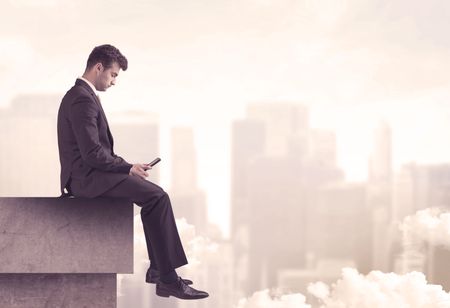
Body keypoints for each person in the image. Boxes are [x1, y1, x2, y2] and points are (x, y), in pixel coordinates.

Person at [57, 44, 209, 300]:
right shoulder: (82, 98)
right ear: (98, 67)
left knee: (153, 199)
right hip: (86, 180)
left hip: (90, 175)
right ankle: (167, 279)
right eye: (113, 74)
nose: (115, 81)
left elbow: (95, 152)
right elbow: (92, 153)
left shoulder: (80, 95)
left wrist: (129, 167)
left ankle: (159, 271)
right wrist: (127, 168)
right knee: (157, 197)